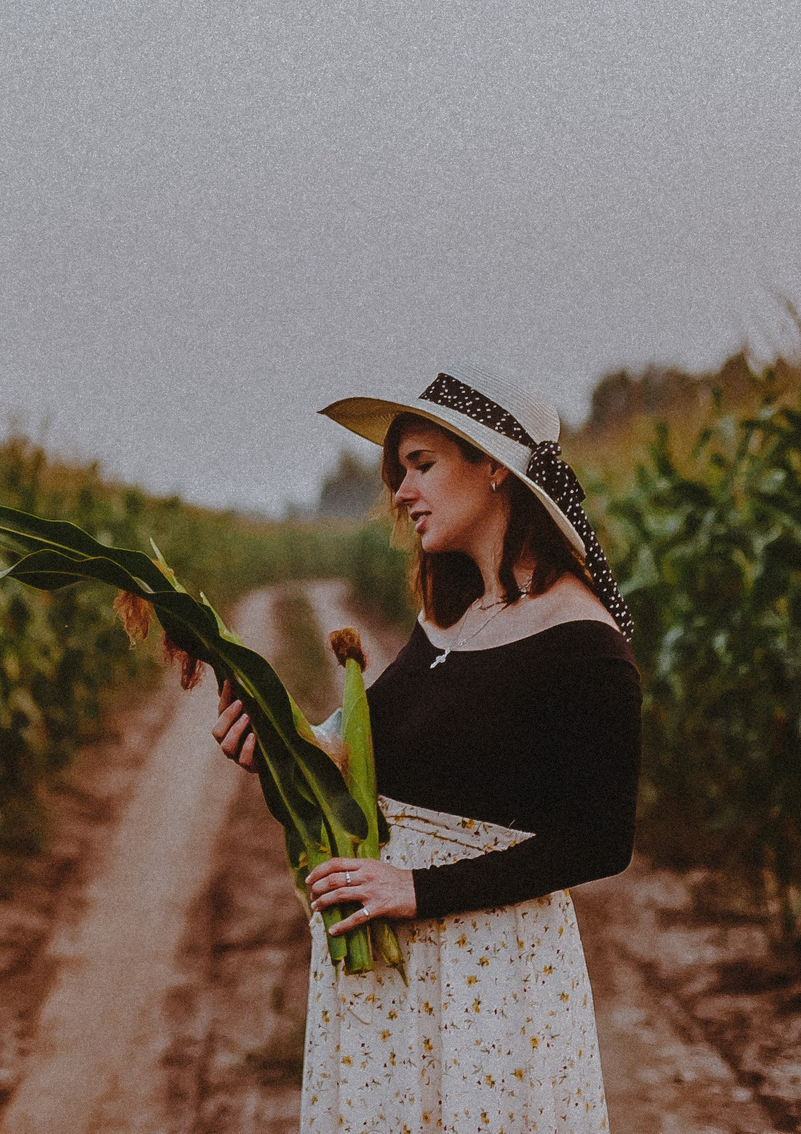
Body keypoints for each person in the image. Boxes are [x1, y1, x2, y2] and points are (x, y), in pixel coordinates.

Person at [210, 362, 641, 1133]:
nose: (402, 490)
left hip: (492, 978)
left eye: (422, 465)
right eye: (398, 471)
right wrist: (270, 734)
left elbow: (603, 840)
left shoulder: (582, 641)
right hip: (393, 981)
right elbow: (346, 745)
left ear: (493, 469)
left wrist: (418, 890)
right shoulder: (448, 616)